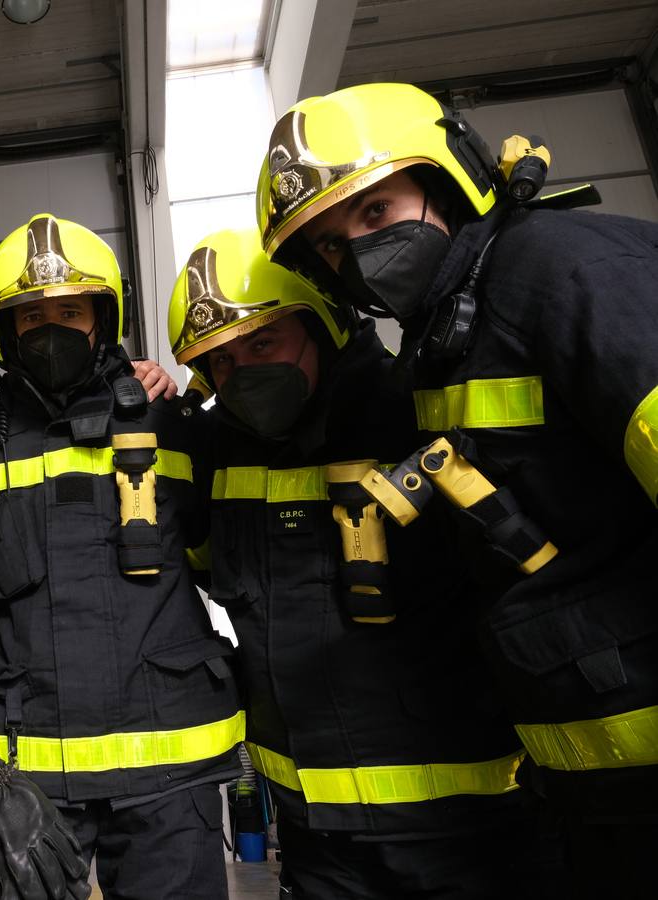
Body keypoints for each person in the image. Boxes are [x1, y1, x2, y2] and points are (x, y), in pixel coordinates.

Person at [257, 81, 658, 895]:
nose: (363, 253)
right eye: (334, 245)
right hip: (599, 791)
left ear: (447, 179)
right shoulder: (447, 342)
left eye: (374, 213)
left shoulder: (562, 270)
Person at [170, 227, 543, 899]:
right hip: (316, 837)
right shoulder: (219, 456)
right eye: (219, 364)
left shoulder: (417, 415)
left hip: (463, 827)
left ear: (326, 322)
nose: (242, 375)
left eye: (263, 343)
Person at [0, 213, 243, 900]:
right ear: (3, 330)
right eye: (30, 318)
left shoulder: (172, 426)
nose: (50, 331)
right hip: (29, 770)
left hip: (172, 765)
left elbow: (223, 560)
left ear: (102, 318)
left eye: (71, 311)